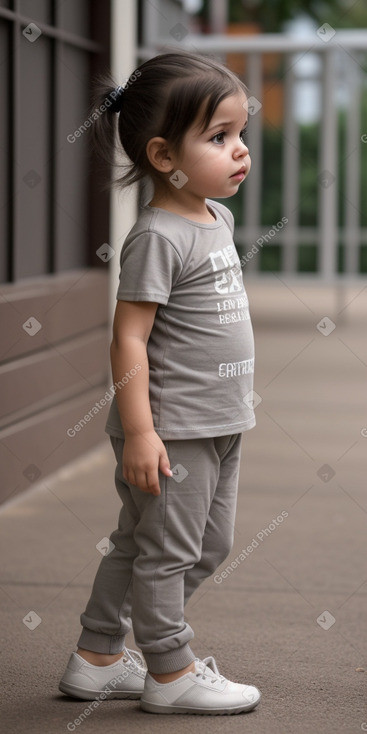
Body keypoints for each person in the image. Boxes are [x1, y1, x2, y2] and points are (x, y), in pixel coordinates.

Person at [59, 50, 261, 715]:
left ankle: (97, 657)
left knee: (192, 544)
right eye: (218, 137)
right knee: (169, 553)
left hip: (219, 420)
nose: (239, 151)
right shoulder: (157, 237)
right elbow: (128, 337)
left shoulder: (216, 218)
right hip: (172, 428)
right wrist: (141, 432)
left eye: (239, 135)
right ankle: (170, 669)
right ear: (163, 155)